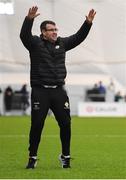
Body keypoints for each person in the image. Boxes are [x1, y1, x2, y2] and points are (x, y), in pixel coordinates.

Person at [20, 6, 96, 169]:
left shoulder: (62, 43)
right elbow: (23, 36)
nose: (55, 32)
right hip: (40, 91)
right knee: (37, 125)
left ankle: (65, 156)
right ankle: (32, 157)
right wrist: (29, 20)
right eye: (51, 30)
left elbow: (78, 37)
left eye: (56, 29)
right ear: (43, 32)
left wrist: (87, 23)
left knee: (65, 123)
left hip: (59, 91)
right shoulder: (35, 43)